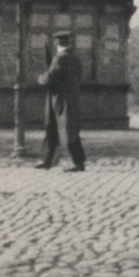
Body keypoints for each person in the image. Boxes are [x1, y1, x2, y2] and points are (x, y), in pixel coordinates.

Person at [36, 30, 86, 172]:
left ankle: (75, 163)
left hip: (59, 100)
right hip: (71, 98)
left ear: (57, 43)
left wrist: (40, 78)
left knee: (61, 130)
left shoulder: (60, 58)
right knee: (65, 130)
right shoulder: (75, 58)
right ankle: (50, 160)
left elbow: (50, 77)